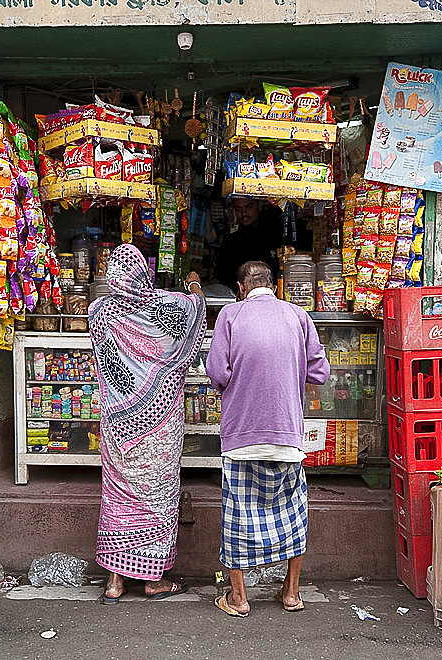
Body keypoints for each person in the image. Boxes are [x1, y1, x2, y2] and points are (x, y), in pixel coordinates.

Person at [205, 260, 330, 617]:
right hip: (288, 437)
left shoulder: (230, 316)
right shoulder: (298, 316)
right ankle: (291, 594)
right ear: (275, 286)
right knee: (292, 513)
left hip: (241, 437)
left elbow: (217, 373)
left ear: (241, 288)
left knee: (238, 516)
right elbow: (319, 372)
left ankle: (239, 598)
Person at [88, 243, 207, 603]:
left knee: (118, 495)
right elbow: (197, 309)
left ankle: (114, 581)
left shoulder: (99, 312)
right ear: (143, 273)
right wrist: (195, 284)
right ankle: (153, 580)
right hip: (159, 419)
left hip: (118, 422)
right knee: (157, 497)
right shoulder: (167, 306)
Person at [214, 197, 283, 293]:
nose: (244, 214)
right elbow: (221, 277)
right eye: (238, 209)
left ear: (259, 206)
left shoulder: (274, 236)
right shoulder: (230, 243)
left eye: (249, 207)